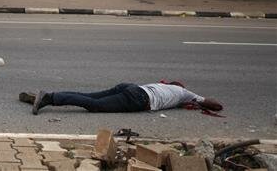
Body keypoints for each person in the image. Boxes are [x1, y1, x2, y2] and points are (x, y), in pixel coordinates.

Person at [20, 82, 223, 115]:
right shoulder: (185, 94)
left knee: (89, 97)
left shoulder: (163, 86)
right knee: (95, 106)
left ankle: (52, 96)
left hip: (131, 86)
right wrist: (197, 99)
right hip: (138, 99)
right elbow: (217, 105)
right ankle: (48, 98)